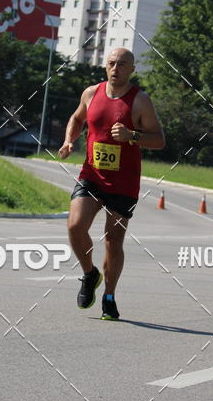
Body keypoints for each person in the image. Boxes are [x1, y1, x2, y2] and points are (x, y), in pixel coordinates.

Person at [58, 48, 165, 320]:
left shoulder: (140, 101)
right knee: (74, 225)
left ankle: (109, 296)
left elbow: (159, 140)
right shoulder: (91, 93)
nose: (116, 68)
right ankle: (89, 273)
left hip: (124, 182)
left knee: (112, 241)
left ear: (132, 69)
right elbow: (77, 118)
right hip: (92, 174)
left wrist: (132, 135)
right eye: (112, 63)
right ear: (105, 66)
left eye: (122, 64)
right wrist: (69, 140)